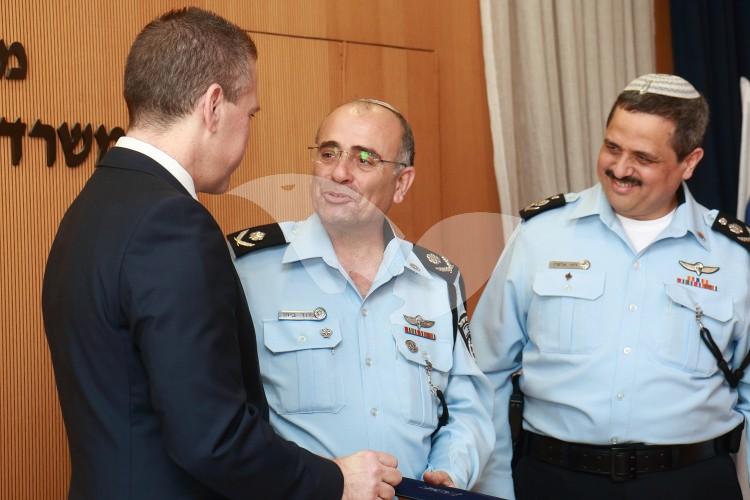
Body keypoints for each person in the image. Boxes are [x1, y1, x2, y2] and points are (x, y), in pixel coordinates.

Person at [42, 8, 400, 500]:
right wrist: (336, 480)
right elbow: (211, 439)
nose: (249, 131)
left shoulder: (92, 207)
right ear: (213, 105)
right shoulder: (172, 225)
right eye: (249, 114)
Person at [471, 73, 750, 500]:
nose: (620, 170)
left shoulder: (734, 256)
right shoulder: (540, 235)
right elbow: (485, 372)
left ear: (689, 162)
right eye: (612, 148)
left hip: (689, 483)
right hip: (554, 480)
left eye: (644, 157)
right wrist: (493, 487)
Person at [228, 98, 494, 490]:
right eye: (328, 153)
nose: (338, 172)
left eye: (364, 159)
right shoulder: (248, 268)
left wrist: (448, 472)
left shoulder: (439, 281)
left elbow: (469, 409)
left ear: (401, 183)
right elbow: (220, 415)